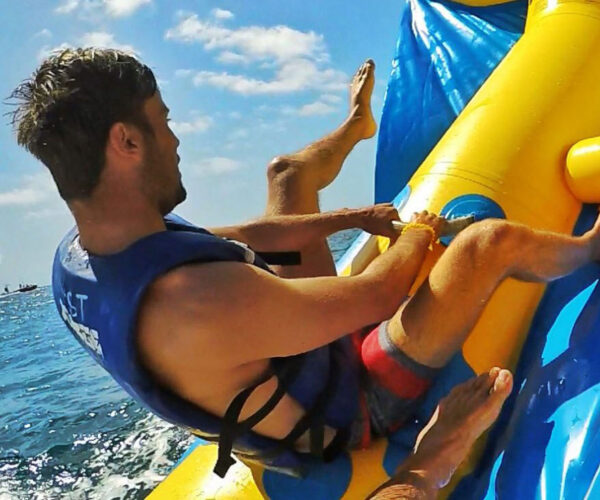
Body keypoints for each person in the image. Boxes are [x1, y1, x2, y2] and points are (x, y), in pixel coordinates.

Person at [11, 48, 600, 498]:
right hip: (349, 407)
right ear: (126, 141)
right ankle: (588, 248)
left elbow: (245, 235)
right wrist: (419, 230)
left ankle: (358, 124)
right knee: (486, 243)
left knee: (287, 176)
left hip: (286, 358)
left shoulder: (83, 254)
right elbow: (379, 293)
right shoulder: (196, 301)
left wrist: (358, 218)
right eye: (162, 121)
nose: (175, 138)